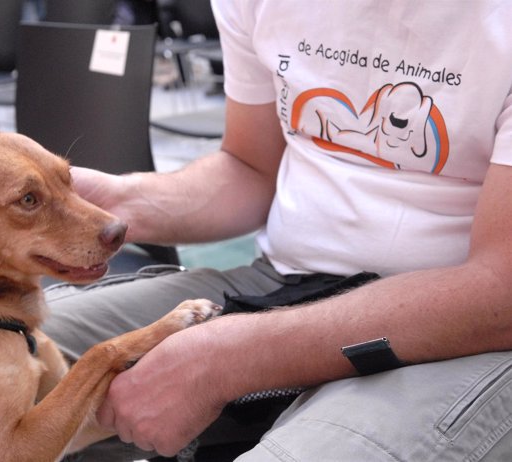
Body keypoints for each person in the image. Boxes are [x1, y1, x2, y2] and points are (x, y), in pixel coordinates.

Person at [43, 1, 512, 460]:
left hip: (458, 331)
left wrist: (229, 358)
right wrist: (118, 205)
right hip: (282, 281)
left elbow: (500, 293)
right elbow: (251, 169)